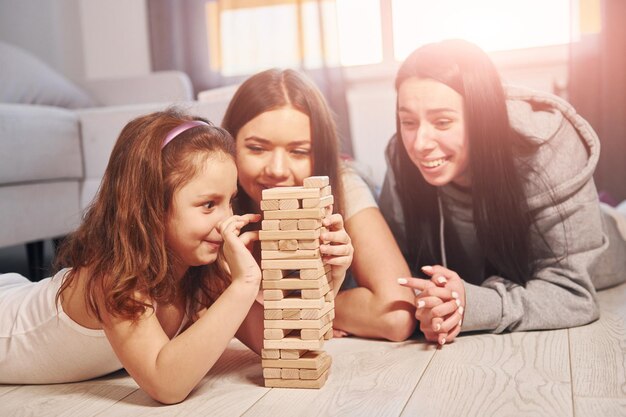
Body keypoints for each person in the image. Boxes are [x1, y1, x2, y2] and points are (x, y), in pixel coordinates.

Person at [0, 109, 264, 404]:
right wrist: (244, 285)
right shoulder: (113, 276)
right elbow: (166, 385)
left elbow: (273, 344)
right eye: (208, 205)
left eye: (230, 201)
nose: (226, 220)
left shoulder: (201, 268)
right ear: (151, 205)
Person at [381, 39, 626, 346]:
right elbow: (394, 271)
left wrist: (477, 306)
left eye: (442, 122)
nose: (419, 143)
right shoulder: (401, 156)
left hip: (607, 245)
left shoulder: (545, 147)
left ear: (481, 117)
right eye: (408, 122)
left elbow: (573, 293)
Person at [221, 68, 416, 341]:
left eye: (299, 151)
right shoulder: (213, 197)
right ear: (229, 145)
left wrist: (302, 311)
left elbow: (395, 315)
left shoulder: (344, 185)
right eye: (257, 148)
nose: (277, 169)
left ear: (321, 156)